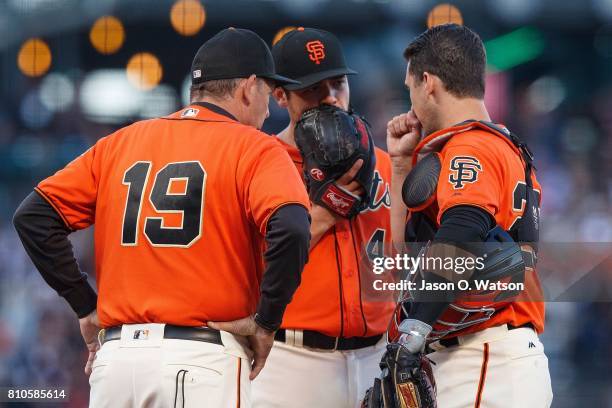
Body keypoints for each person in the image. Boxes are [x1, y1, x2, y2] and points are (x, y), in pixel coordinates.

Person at [13, 28, 311, 408]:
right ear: (249, 88)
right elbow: (291, 227)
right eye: (268, 95)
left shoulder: (120, 143)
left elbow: (34, 217)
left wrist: (85, 305)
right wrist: (267, 321)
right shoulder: (255, 147)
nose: (269, 110)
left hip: (116, 364)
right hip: (202, 360)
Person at [384, 23, 552, 407]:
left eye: (409, 88)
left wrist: (412, 331)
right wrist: (399, 165)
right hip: (481, 354)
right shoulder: (493, 144)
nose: (409, 102)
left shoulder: (471, 145)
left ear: (428, 82)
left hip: (483, 356)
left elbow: (463, 231)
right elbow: (401, 264)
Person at [251, 27, 395, 408]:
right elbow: (246, 267)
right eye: (313, 89)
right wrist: (324, 212)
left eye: (338, 84)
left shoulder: (382, 162)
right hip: (290, 360)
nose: (330, 98)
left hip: (375, 357)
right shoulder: (258, 163)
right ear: (280, 95)